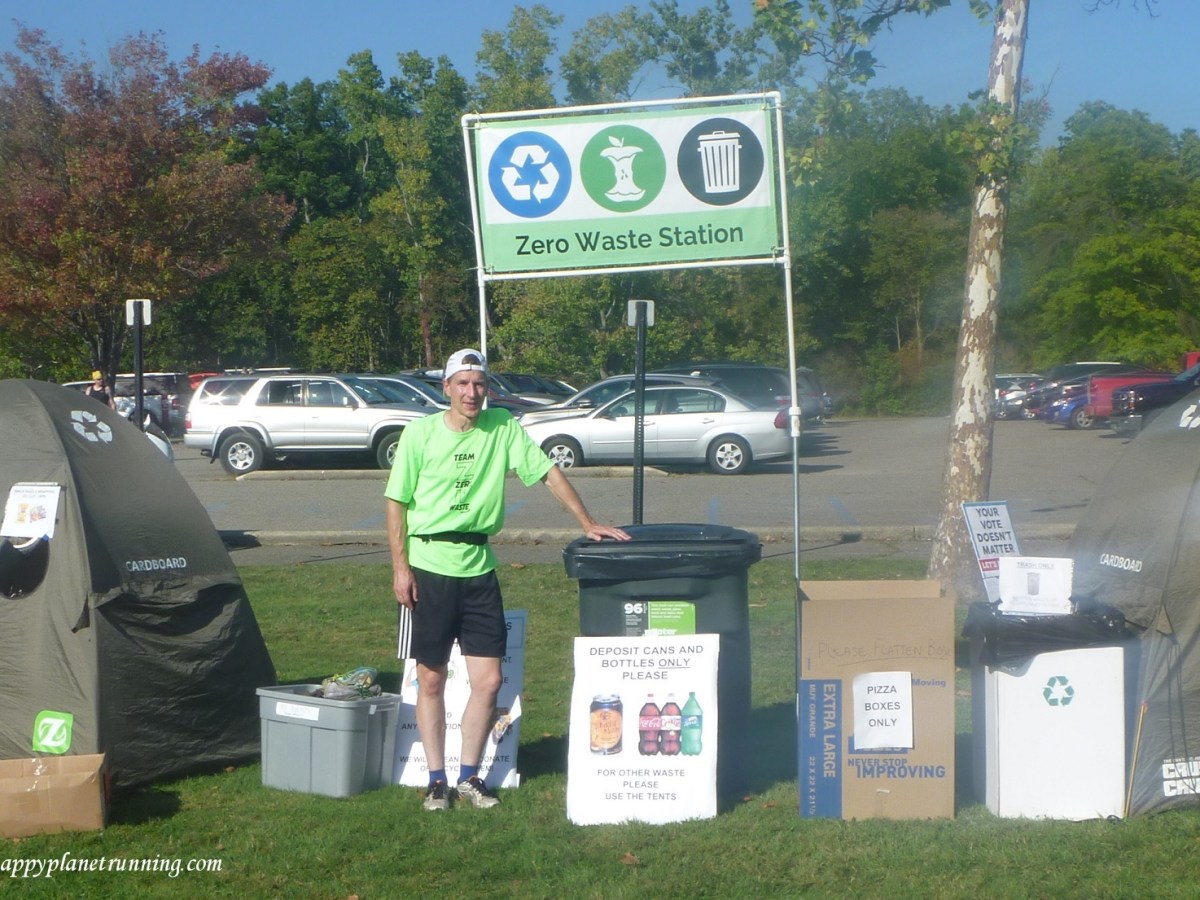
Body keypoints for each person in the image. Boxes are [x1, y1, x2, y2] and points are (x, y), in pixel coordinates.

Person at [385, 349, 630, 811]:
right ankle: (436, 780)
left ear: (487, 389)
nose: (471, 392)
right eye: (462, 383)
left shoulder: (503, 427)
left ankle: (469, 777)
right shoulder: (419, 433)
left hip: (479, 567)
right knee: (431, 680)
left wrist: (586, 521)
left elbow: (547, 474)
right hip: (428, 568)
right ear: (446, 389)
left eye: (479, 384)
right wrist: (401, 568)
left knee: (490, 681)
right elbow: (396, 502)